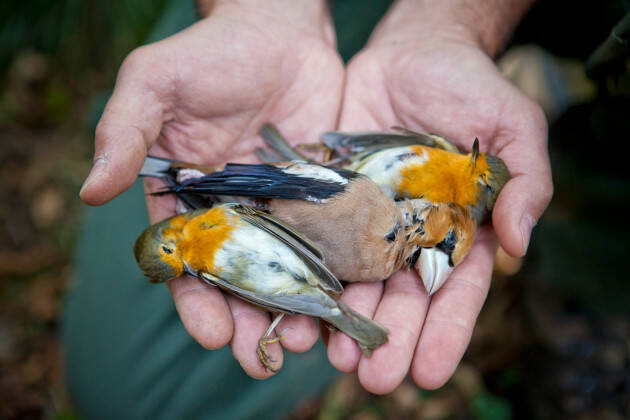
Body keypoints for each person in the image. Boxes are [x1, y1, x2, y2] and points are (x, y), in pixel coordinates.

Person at [68, 0, 552, 416]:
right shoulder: (435, 157)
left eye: (477, 179)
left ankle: (551, 83)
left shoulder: (450, 196)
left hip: (314, 190)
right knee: (116, 388)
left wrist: (453, 25)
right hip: (308, 173)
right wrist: (257, 12)